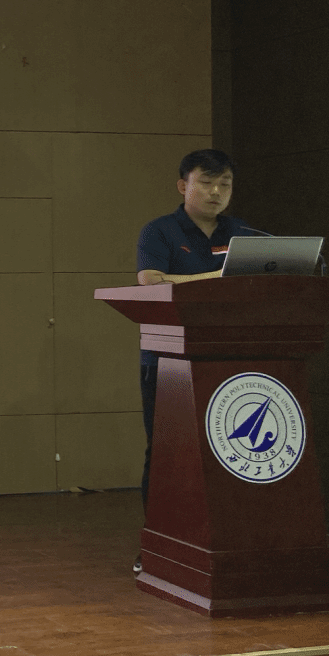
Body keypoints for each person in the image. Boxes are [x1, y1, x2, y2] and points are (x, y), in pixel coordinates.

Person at [133, 148, 248, 575]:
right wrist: (218, 279)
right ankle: (157, 544)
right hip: (168, 360)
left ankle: (226, 543)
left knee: (227, 452)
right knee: (167, 453)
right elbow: (151, 282)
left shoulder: (244, 233)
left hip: (231, 357)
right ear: (184, 186)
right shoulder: (160, 231)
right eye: (207, 183)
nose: (217, 192)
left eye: (225, 184)